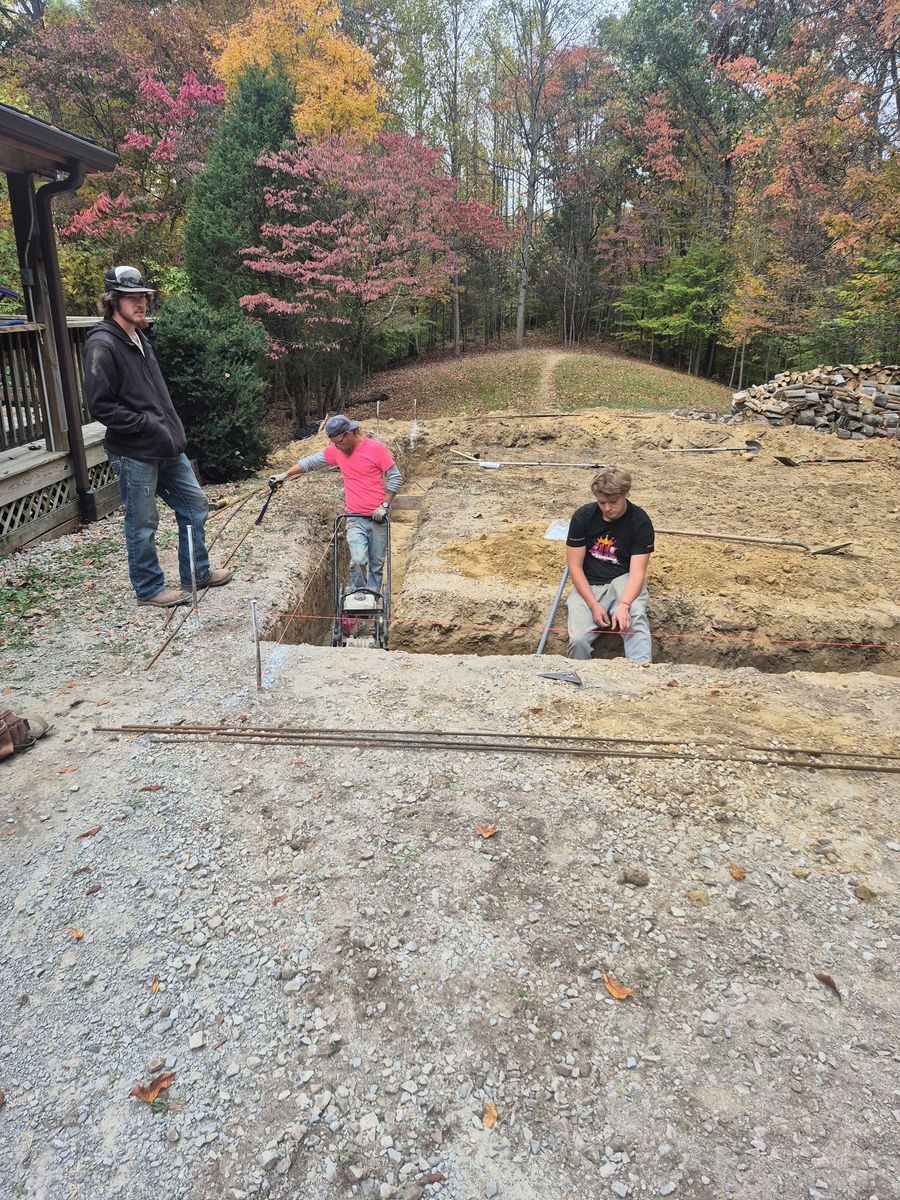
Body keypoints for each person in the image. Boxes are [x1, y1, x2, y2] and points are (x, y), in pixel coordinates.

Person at [83, 266, 232, 608]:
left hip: (165, 445)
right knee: (143, 521)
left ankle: (197, 572)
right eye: (131, 297)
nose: (141, 303)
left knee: (194, 504)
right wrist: (146, 424)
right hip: (134, 450)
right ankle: (149, 589)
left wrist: (168, 429)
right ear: (113, 300)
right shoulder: (102, 345)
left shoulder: (140, 338)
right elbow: (101, 406)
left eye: (143, 296)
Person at [270, 415, 402, 595]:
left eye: (339, 442)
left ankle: (373, 598)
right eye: (334, 443)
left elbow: (395, 477)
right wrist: (285, 474)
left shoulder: (376, 449)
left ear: (349, 434)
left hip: (378, 518)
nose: (337, 447)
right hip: (354, 518)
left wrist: (385, 506)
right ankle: (359, 594)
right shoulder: (337, 451)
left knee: (376, 565)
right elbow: (310, 462)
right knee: (357, 560)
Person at [565, 466, 654, 663]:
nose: (607, 508)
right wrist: (593, 605)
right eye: (601, 502)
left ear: (625, 495)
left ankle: (641, 672)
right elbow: (575, 567)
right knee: (578, 639)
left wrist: (624, 604)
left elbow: (637, 572)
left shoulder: (640, 522)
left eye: (613, 502)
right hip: (590, 582)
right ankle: (575, 676)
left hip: (623, 579)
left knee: (634, 618)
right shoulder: (583, 517)